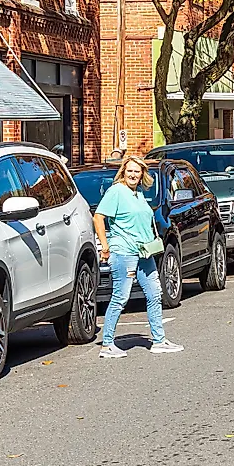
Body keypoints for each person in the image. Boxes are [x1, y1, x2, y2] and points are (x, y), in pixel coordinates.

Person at [93, 151, 177, 356]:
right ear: (123, 172)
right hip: (124, 251)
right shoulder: (116, 192)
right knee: (121, 297)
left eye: (136, 172)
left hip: (144, 252)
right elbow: (98, 217)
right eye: (129, 171)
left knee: (155, 294)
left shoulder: (138, 193)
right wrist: (105, 246)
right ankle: (107, 344)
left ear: (142, 174)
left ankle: (158, 340)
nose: (132, 174)